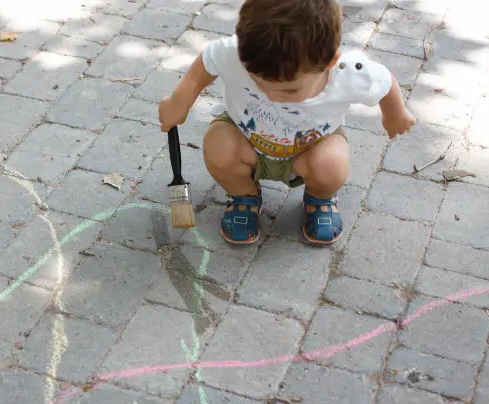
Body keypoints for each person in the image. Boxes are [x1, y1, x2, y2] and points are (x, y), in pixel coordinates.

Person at [158, 0, 416, 246]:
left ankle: (319, 199)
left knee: (331, 165)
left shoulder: (349, 73)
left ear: (329, 62)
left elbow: (385, 81)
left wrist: (395, 115)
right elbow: (207, 62)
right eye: (257, 82)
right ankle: (244, 196)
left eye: (289, 92)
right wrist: (180, 100)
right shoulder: (237, 52)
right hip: (245, 139)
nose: (271, 97)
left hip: (310, 149)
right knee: (218, 144)